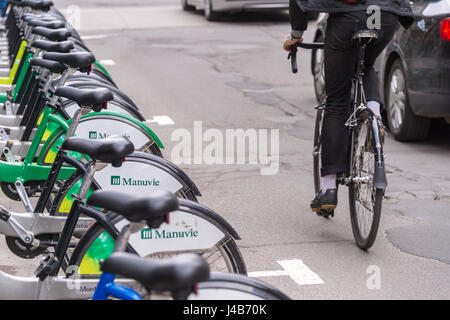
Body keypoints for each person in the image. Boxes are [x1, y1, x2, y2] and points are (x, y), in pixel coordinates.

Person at [283, 0, 414, 212]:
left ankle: (328, 189)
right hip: (385, 16)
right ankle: (374, 115)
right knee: (366, 65)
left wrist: (295, 35)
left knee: (336, 99)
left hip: (347, 17)